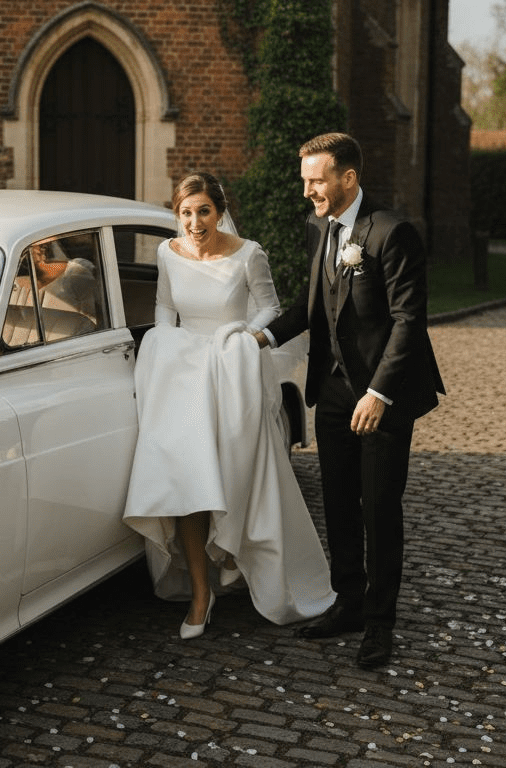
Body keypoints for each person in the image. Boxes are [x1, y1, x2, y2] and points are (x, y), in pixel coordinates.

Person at [254, 133, 444, 669]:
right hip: (333, 392)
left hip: (383, 396)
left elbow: (410, 322)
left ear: (347, 178)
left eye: (316, 181)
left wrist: (380, 392)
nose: (308, 192)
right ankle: (349, 603)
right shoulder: (319, 229)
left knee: (379, 508)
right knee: (338, 503)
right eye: (306, 181)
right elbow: (309, 307)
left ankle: (380, 624)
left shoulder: (391, 232)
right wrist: (258, 339)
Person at [124, 172, 336, 639]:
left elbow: (270, 308)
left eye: (203, 211)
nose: (195, 222)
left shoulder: (248, 253)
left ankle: (240, 561)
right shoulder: (166, 252)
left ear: (219, 211)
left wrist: (244, 338)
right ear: (177, 215)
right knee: (186, 484)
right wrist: (166, 344)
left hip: (231, 373)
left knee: (237, 476)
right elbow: (164, 309)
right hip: (181, 380)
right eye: (186, 212)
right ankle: (201, 594)